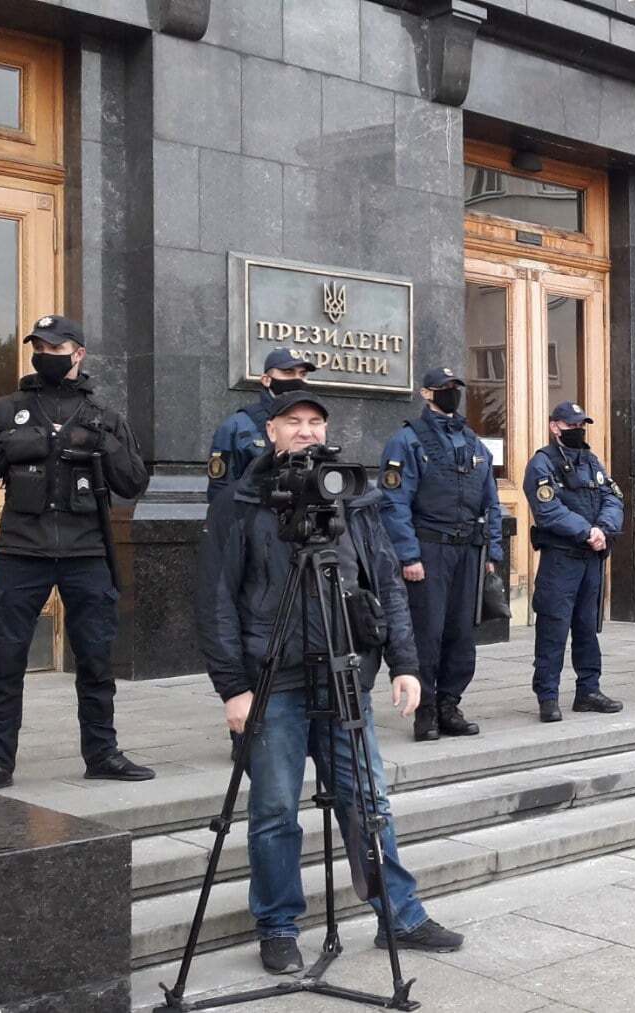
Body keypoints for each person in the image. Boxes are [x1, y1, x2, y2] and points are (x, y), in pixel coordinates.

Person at [197, 389, 463, 973]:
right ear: (270, 431)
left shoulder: (356, 497)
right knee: (273, 811)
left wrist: (406, 665)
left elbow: (388, 583)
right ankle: (277, 925)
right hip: (274, 681)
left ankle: (400, 914)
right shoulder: (241, 502)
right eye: (293, 421)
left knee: (369, 802)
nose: (306, 431)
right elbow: (216, 601)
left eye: (316, 421)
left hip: (346, 673)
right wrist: (232, 689)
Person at [0, 315, 154, 791]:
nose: (46, 351)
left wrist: (102, 444)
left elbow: (134, 482)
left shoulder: (103, 415)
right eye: (39, 344)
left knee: (96, 660)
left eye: (56, 344)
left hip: (87, 553)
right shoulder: (7, 410)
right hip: (22, 553)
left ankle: (102, 753)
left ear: (78, 353)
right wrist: (10, 445)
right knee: (7, 660)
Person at [378, 366, 504, 741]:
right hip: (428, 551)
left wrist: (492, 551)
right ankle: (426, 711)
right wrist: (408, 556)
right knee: (427, 633)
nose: (452, 393)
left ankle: (450, 704)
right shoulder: (407, 441)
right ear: (425, 394)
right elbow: (394, 503)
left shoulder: (473, 442)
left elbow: (491, 502)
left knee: (461, 634)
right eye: (443, 388)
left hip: (468, 551)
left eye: (455, 387)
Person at [524, 401, 626, 722]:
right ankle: (548, 695)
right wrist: (586, 532)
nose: (578, 430)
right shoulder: (542, 463)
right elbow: (548, 509)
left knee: (586, 629)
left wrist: (604, 530)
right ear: (555, 426)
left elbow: (613, 497)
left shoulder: (591, 461)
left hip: (591, 559)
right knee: (553, 628)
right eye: (571, 425)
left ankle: (588, 690)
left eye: (582, 424)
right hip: (561, 559)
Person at [206, 347, 316, 504]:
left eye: (302, 374)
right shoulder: (236, 426)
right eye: (288, 372)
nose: (297, 380)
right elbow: (221, 491)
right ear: (266, 380)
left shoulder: (313, 425)